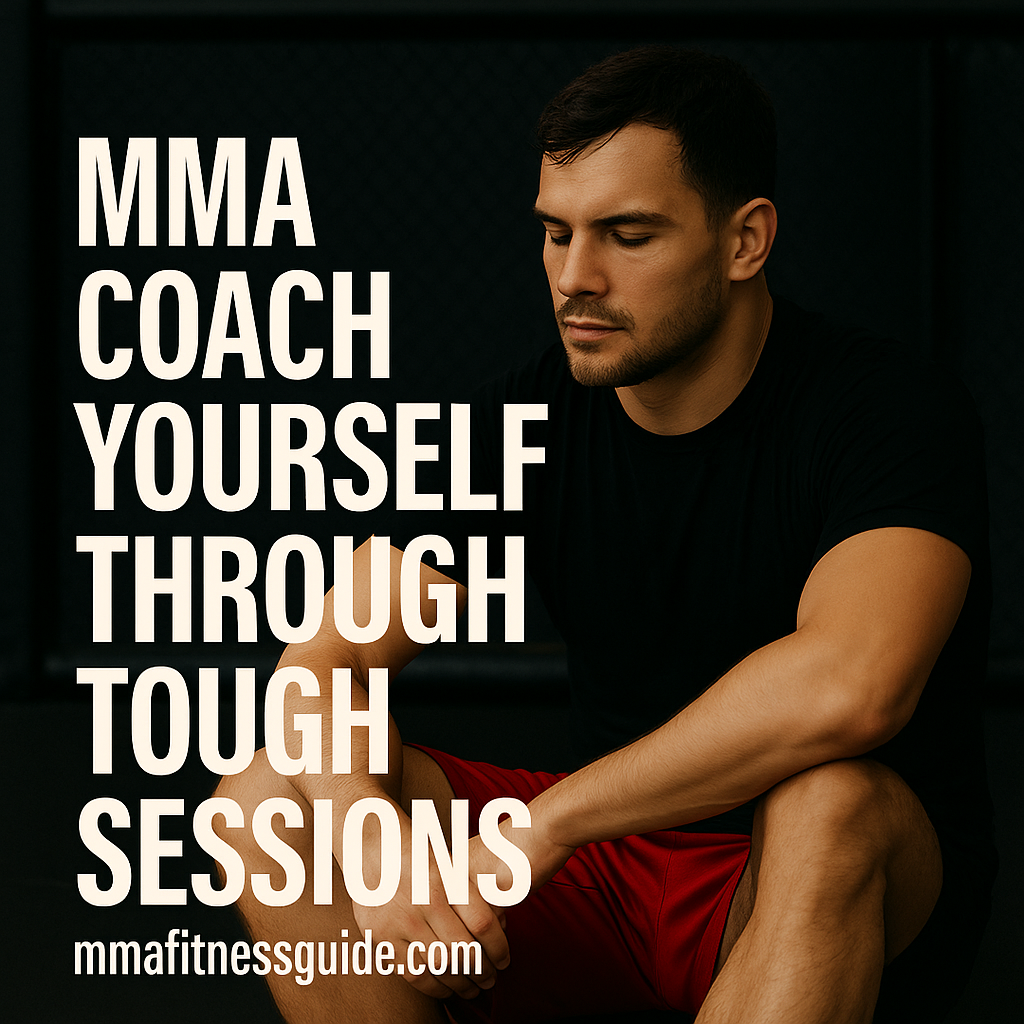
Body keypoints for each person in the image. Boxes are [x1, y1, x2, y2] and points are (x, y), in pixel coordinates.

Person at [216, 47, 995, 1023]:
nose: (574, 278)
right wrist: (375, 853)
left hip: (798, 877)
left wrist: (547, 824)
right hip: (600, 871)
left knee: (829, 801)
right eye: (555, 233)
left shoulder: (883, 410)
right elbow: (323, 663)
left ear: (744, 239)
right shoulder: (528, 419)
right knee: (272, 800)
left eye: (627, 235)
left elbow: (853, 684)